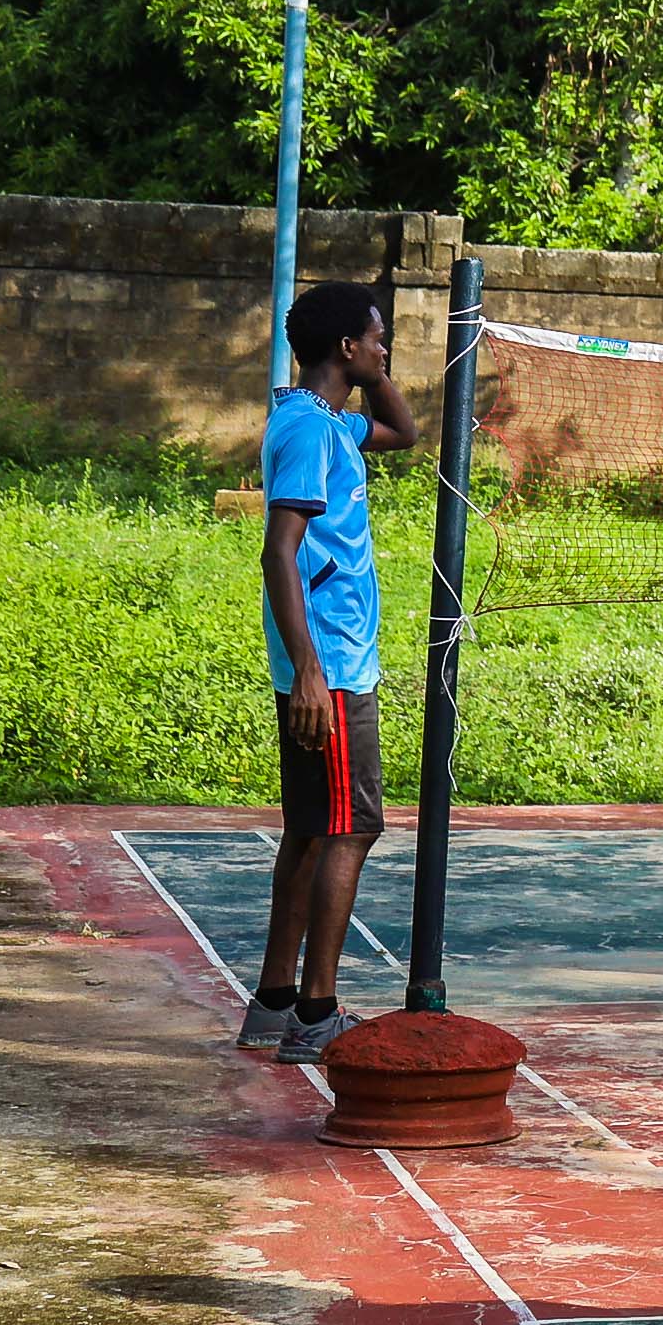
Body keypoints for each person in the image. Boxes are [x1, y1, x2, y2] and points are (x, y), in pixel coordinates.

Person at [245, 281, 422, 1064]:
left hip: (332, 664)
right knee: (351, 829)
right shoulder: (309, 434)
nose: (386, 352)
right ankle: (317, 1014)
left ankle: (273, 1003)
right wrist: (313, 676)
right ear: (346, 347)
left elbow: (405, 431)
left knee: (312, 833)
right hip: (334, 671)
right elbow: (278, 553)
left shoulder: (325, 424)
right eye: (377, 340)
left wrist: (367, 368)